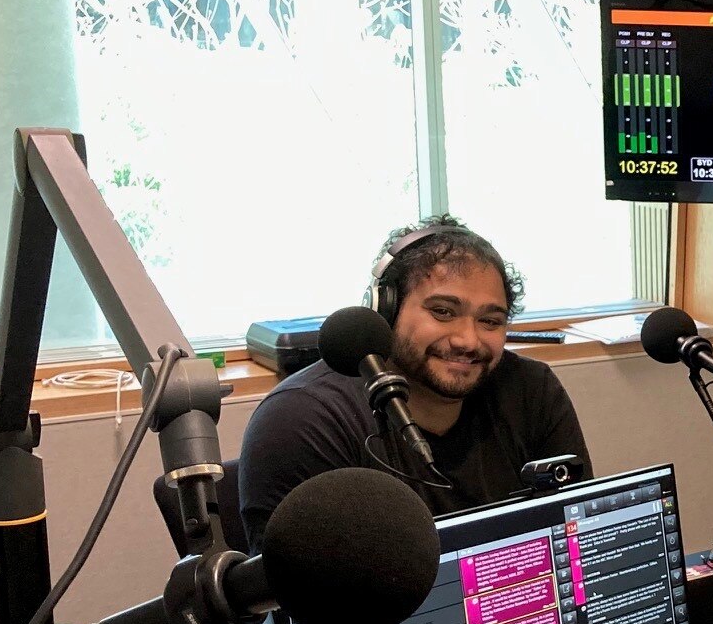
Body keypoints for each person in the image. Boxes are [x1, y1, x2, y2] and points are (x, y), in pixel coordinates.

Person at [239, 217, 589, 547]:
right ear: (385, 312)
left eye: (490, 320)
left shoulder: (531, 390)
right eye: (443, 312)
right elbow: (305, 599)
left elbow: (580, 534)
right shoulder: (303, 419)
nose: (468, 340)